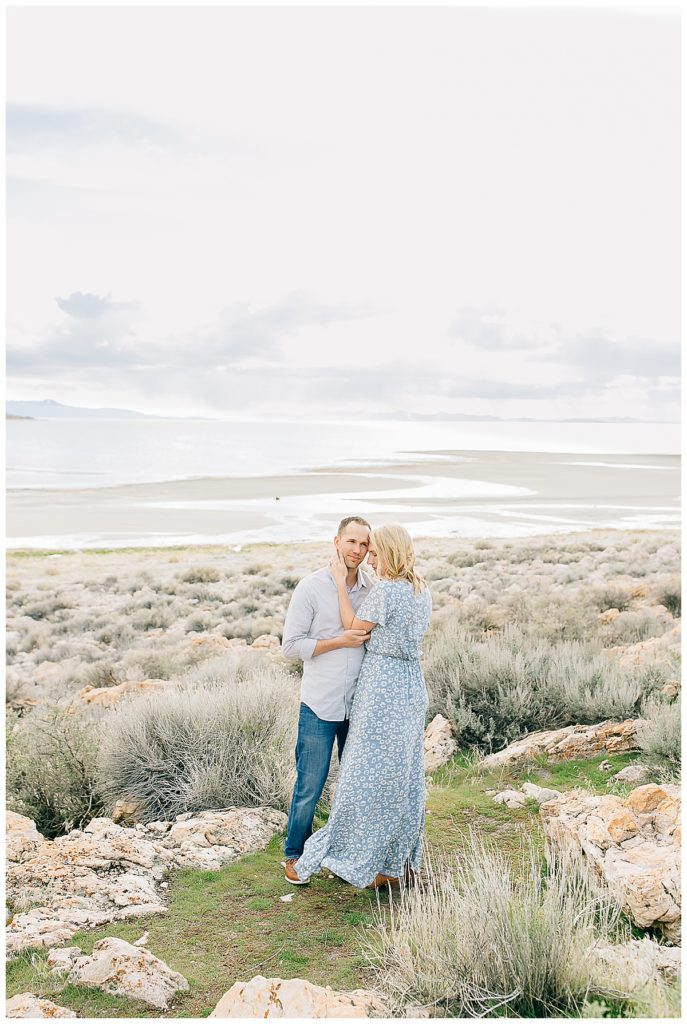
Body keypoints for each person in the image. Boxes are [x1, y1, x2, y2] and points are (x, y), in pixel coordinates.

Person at [291, 523, 432, 890]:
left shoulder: (383, 590)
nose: (368, 555)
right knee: (404, 777)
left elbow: (354, 625)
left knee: (362, 779)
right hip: (411, 686)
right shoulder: (422, 590)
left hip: (381, 689)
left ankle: (348, 856)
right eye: (360, 547)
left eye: (373, 550)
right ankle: (396, 862)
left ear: (388, 551)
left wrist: (340, 585)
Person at [280, 515, 375, 883]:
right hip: (320, 705)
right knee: (310, 785)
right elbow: (291, 645)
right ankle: (294, 855)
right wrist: (339, 641)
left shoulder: (372, 588)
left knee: (357, 785)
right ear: (336, 541)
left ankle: (349, 856)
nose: (357, 550)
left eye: (364, 544)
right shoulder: (311, 587)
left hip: (359, 706)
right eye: (351, 542)